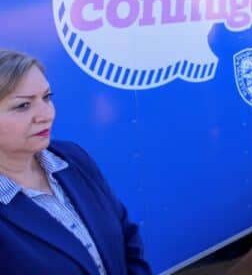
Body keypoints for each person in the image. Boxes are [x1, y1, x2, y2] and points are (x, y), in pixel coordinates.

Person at [0, 50, 151, 275]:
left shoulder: (71, 158)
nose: (46, 114)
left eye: (47, 97)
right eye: (23, 106)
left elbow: (126, 236)